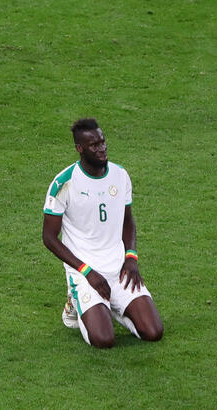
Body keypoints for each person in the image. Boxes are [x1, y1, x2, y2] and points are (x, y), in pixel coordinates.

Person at [42, 118, 164, 348]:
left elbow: (128, 221)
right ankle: (77, 302)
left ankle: (111, 306)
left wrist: (131, 258)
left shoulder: (120, 176)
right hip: (86, 273)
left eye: (103, 142)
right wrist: (86, 271)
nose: (102, 149)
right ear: (80, 149)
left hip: (119, 270)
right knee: (104, 340)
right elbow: (49, 238)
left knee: (154, 332)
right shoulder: (64, 184)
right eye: (94, 145)